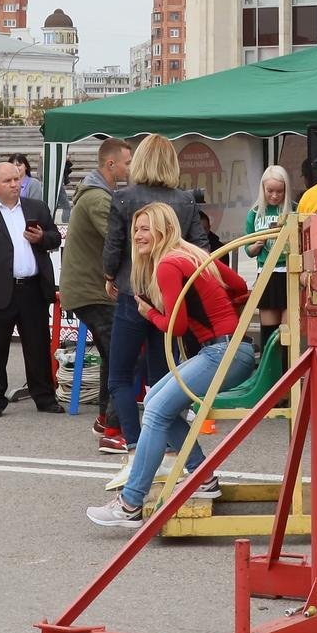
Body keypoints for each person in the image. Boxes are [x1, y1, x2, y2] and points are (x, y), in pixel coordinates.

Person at [85, 203, 256, 526]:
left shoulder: (167, 264)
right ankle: (202, 478)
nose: (138, 235)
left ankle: (130, 503)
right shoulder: (191, 255)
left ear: (163, 230)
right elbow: (238, 286)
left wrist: (148, 312)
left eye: (145, 228)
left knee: (155, 409)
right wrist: (217, 309)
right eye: (136, 229)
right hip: (230, 350)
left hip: (221, 353)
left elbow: (175, 327)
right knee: (153, 402)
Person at [100, 135, 203, 450]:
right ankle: (167, 443)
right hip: (168, 297)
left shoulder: (123, 198)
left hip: (133, 291)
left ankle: (133, 441)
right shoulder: (186, 201)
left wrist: (109, 276)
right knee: (161, 377)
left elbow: (114, 246)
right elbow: (200, 248)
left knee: (119, 376)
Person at [0, 159, 62, 416]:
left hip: (32, 289)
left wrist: (42, 238)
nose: (14, 185)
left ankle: (44, 396)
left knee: (38, 346)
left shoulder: (36, 207)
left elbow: (55, 237)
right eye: (8, 181)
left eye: (17, 179)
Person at [63, 139, 124, 450]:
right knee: (120, 356)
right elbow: (118, 240)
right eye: (126, 163)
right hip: (91, 290)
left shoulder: (96, 193)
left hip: (87, 288)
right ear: (110, 165)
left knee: (112, 354)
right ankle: (114, 430)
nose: (129, 168)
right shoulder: (99, 199)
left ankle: (105, 417)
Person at [243, 165, 292, 334]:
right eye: (270, 190)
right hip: (265, 272)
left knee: (287, 332)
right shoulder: (254, 213)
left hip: (289, 271)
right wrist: (256, 245)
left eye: (280, 191)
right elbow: (247, 250)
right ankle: (270, 360)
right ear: (262, 189)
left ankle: (287, 362)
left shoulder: (293, 209)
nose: (275, 196)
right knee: (269, 331)